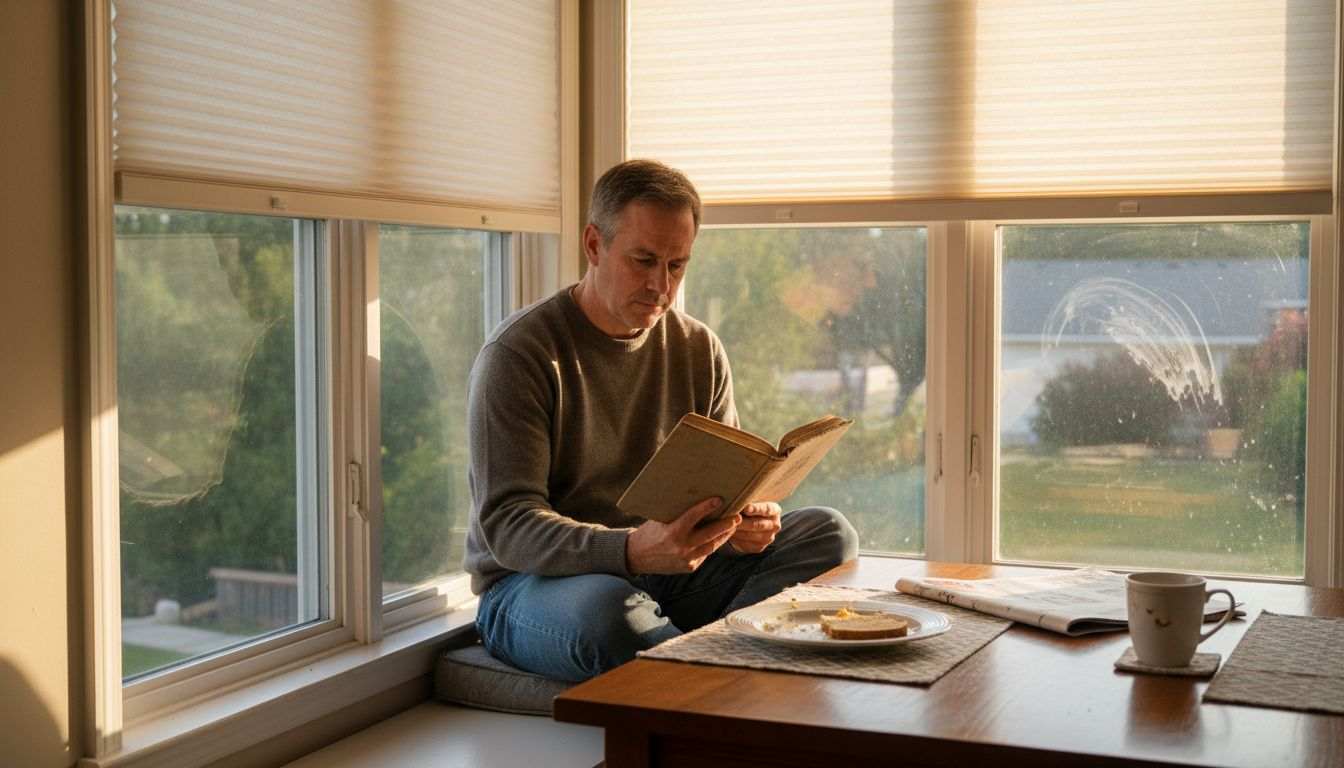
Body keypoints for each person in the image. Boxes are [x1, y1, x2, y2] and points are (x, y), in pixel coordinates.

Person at [463, 158, 858, 682]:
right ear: (593, 245)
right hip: (536, 586)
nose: (660, 286)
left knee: (828, 533)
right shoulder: (520, 354)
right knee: (610, 614)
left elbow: (725, 484)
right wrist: (627, 549)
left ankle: (688, 657)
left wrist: (745, 521)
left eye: (677, 266)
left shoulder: (698, 348)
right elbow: (508, 528)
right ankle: (721, 674)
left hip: (667, 570)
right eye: (643, 260)